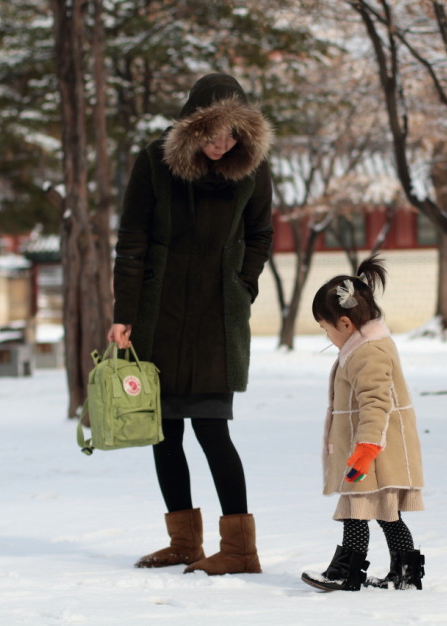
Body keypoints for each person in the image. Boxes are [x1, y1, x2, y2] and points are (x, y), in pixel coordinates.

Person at [108, 73, 273, 576]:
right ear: (193, 127)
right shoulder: (154, 162)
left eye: (232, 136)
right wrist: (125, 314)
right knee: (164, 431)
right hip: (158, 312)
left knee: (211, 427)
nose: (223, 145)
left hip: (216, 317)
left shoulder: (251, 170)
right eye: (213, 134)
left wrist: (241, 286)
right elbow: (132, 238)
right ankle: (184, 543)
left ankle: (240, 548)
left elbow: (261, 235)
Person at [301, 256, 426, 591]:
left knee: (356, 508)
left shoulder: (368, 353)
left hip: (373, 451)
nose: (326, 335)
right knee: (386, 513)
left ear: (344, 323)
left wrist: (367, 447)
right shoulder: (363, 348)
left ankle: (346, 572)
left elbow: (375, 403)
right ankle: (405, 573)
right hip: (373, 450)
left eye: (324, 328)